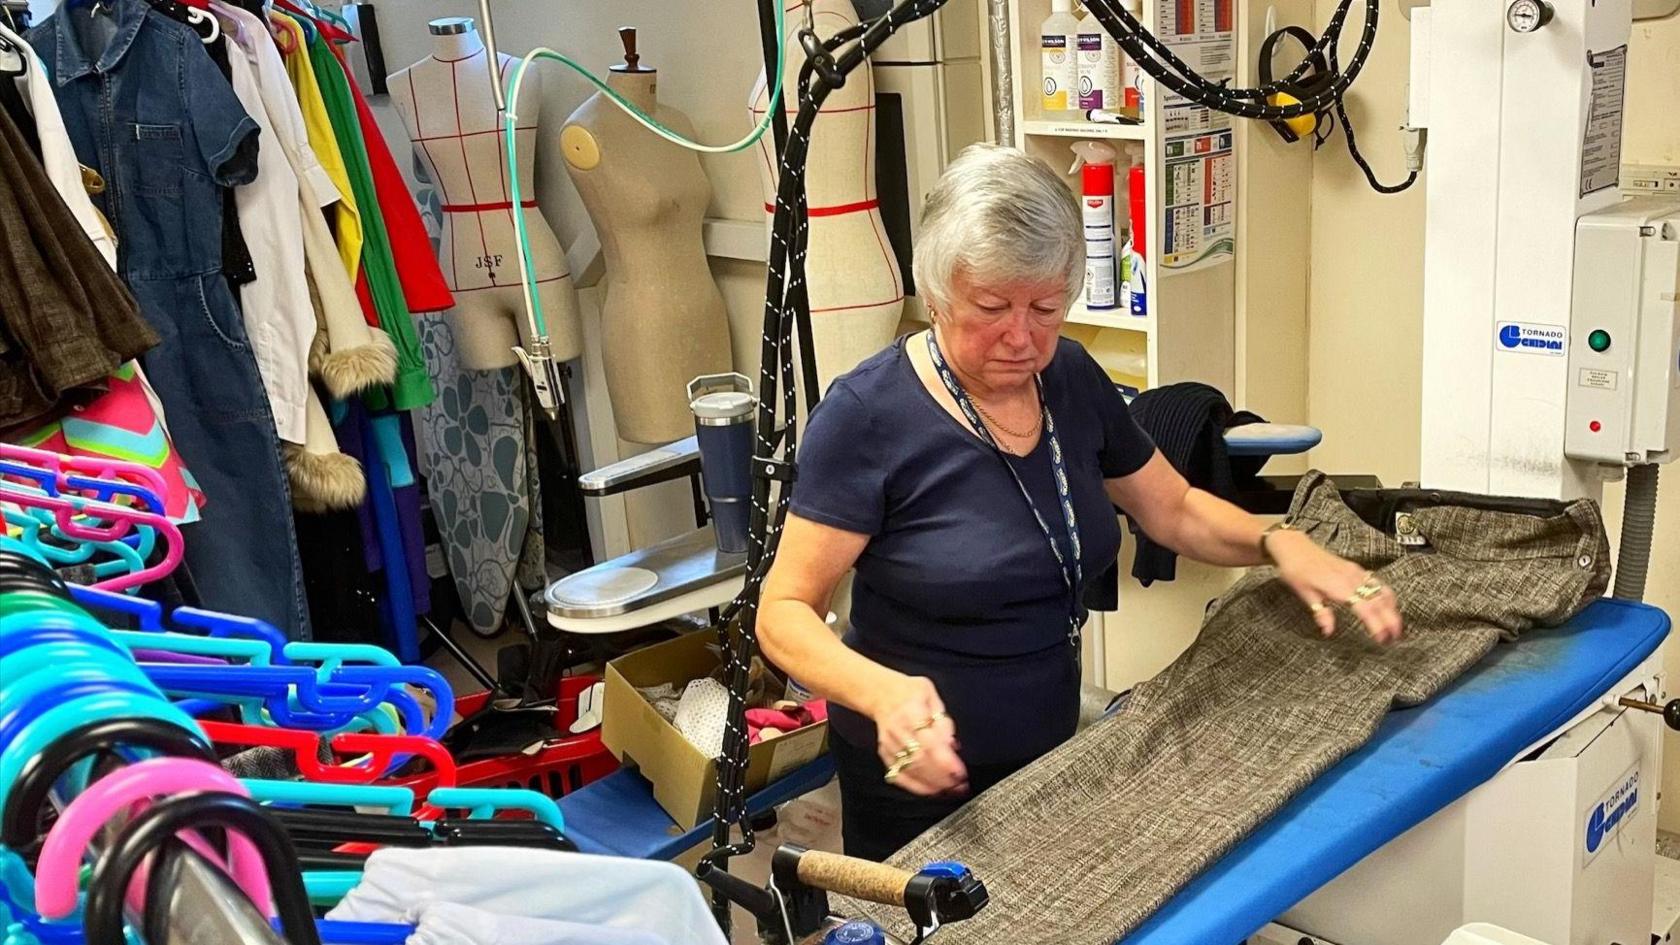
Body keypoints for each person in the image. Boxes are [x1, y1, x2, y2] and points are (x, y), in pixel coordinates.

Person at [756, 143, 1404, 861]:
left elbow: (1175, 510)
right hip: (912, 778)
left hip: (1049, 754)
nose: (1021, 337)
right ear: (937, 294)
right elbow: (782, 613)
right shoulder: (867, 415)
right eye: (992, 306)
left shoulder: (1067, 377)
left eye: (1046, 307)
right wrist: (881, 694)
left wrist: (1280, 541)